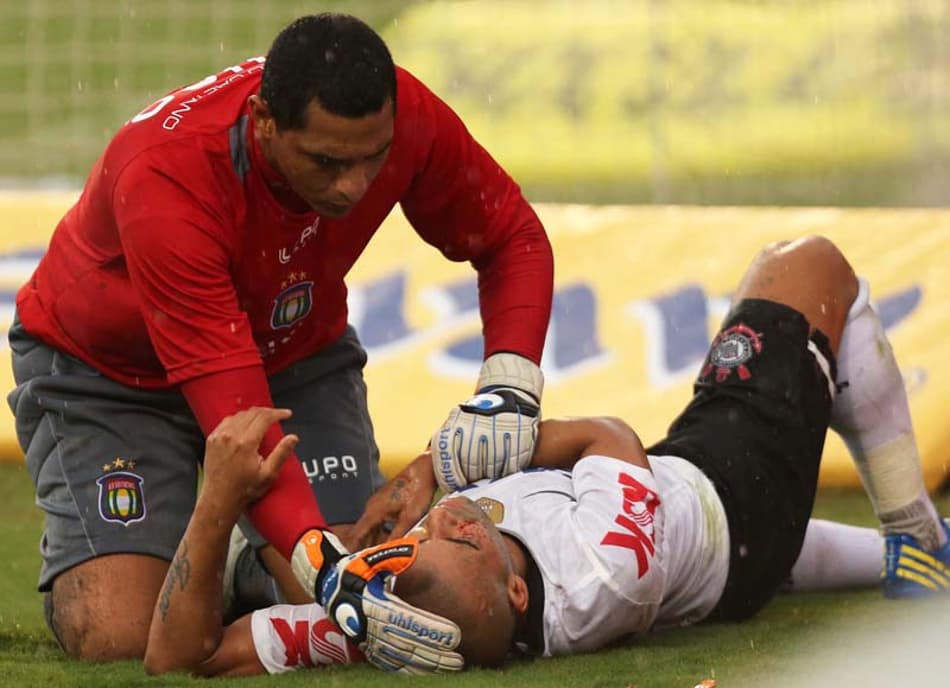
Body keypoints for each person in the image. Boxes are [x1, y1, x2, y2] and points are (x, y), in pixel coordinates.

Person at [6, 12, 552, 666]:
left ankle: (245, 563)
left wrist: (510, 384)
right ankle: (148, 544)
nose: (353, 184)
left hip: (292, 347)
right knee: (122, 636)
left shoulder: (405, 116)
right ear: (264, 119)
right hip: (107, 375)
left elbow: (511, 236)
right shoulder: (167, 176)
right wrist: (321, 562)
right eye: (327, 161)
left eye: (371, 159)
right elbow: (240, 419)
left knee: (365, 584)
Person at [143, 235, 949, 675]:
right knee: (805, 267)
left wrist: (216, 509)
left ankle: (889, 561)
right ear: (519, 589)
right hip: (733, 501)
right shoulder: (601, 576)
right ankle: (916, 533)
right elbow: (611, 439)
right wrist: (445, 462)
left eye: (418, 542)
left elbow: (182, 658)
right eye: (465, 539)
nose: (445, 523)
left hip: (700, 542)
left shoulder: (379, 622)